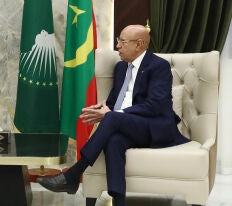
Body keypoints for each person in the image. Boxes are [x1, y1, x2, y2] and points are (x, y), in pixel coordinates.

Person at [37, 24, 189, 206]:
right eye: (118, 41)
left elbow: (155, 106)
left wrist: (113, 114)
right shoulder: (120, 68)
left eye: (122, 42)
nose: (117, 46)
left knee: (112, 118)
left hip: (154, 127)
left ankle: (73, 174)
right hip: (127, 126)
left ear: (139, 44)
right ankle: (119, 201)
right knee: (114, 140)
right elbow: (113, 103)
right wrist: (101, 109)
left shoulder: (159, 66)